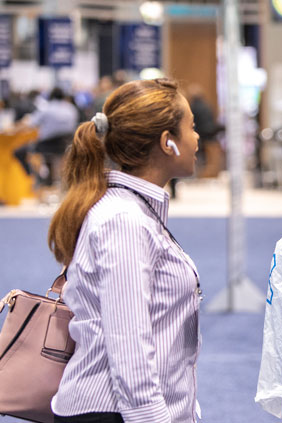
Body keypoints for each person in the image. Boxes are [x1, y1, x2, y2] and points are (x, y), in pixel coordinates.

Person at [47, 78, 202, 423]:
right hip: (115, 412)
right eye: (191, 127)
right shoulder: (124, 221)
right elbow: (128, 343)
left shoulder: (133, 211)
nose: (197, 137)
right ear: (168, 143)